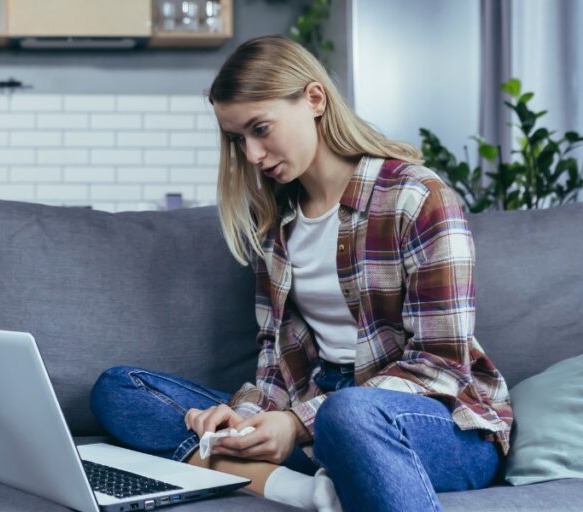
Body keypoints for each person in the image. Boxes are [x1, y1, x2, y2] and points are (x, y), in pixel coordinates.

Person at [89, 35, 513, 512]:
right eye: (237, 139)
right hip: (319, 411)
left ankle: (259, 471)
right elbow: (275, 362)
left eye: (260, 128)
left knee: (349, 414)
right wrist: (244, 419)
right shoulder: (277, 226)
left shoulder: (416, 197)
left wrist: (299, 423)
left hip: (434, 423)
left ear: (314, 99)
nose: (251, 155)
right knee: (120, 389)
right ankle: (301, 491)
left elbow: (440, 364)